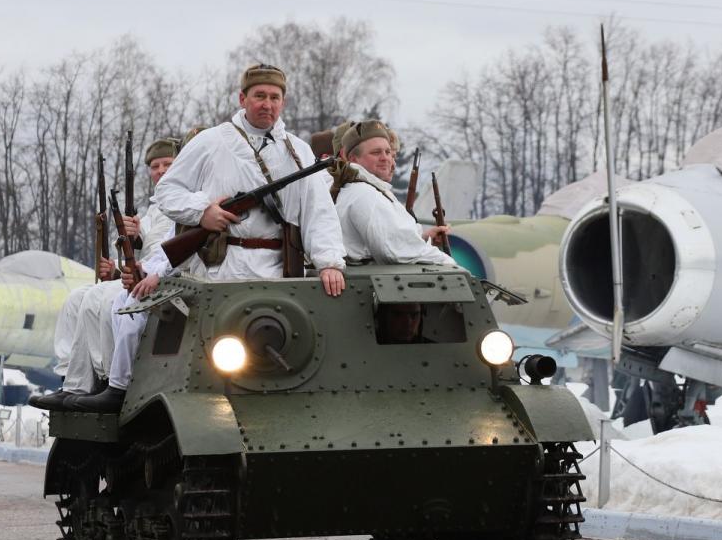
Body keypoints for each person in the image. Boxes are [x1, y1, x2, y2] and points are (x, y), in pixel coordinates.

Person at [153, 64, 346, 294]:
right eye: (260, 96)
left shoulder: (299, 151)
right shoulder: (210, 141)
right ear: (242, 98)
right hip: (222, 273)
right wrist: (202, 212)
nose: (267, 104)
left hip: (283, 275)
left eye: (275, 97)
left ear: (283, 102)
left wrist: (329, 264)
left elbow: (319, 212)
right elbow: (166, 191)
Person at [30, 137, 180, 411]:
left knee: (98, 298)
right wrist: (115, 270)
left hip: (162, 280)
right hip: (142, 276)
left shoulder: (180, 205)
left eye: (167, 164)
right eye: (155, 166)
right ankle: (72, 379)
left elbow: (165, 254)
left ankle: (109, 379)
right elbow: (140, 253)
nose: (160, 171)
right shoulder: (155, 209)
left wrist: (137, 239)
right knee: (77, 299)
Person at [332, 119, 455, 266]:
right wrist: (449, 263)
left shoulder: (365, 188)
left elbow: (397, 241)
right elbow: (394, 251)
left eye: (388, 152)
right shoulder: (365, 194)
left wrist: (422, 238)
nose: (385, 158)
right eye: (376, 152)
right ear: (353, 159)